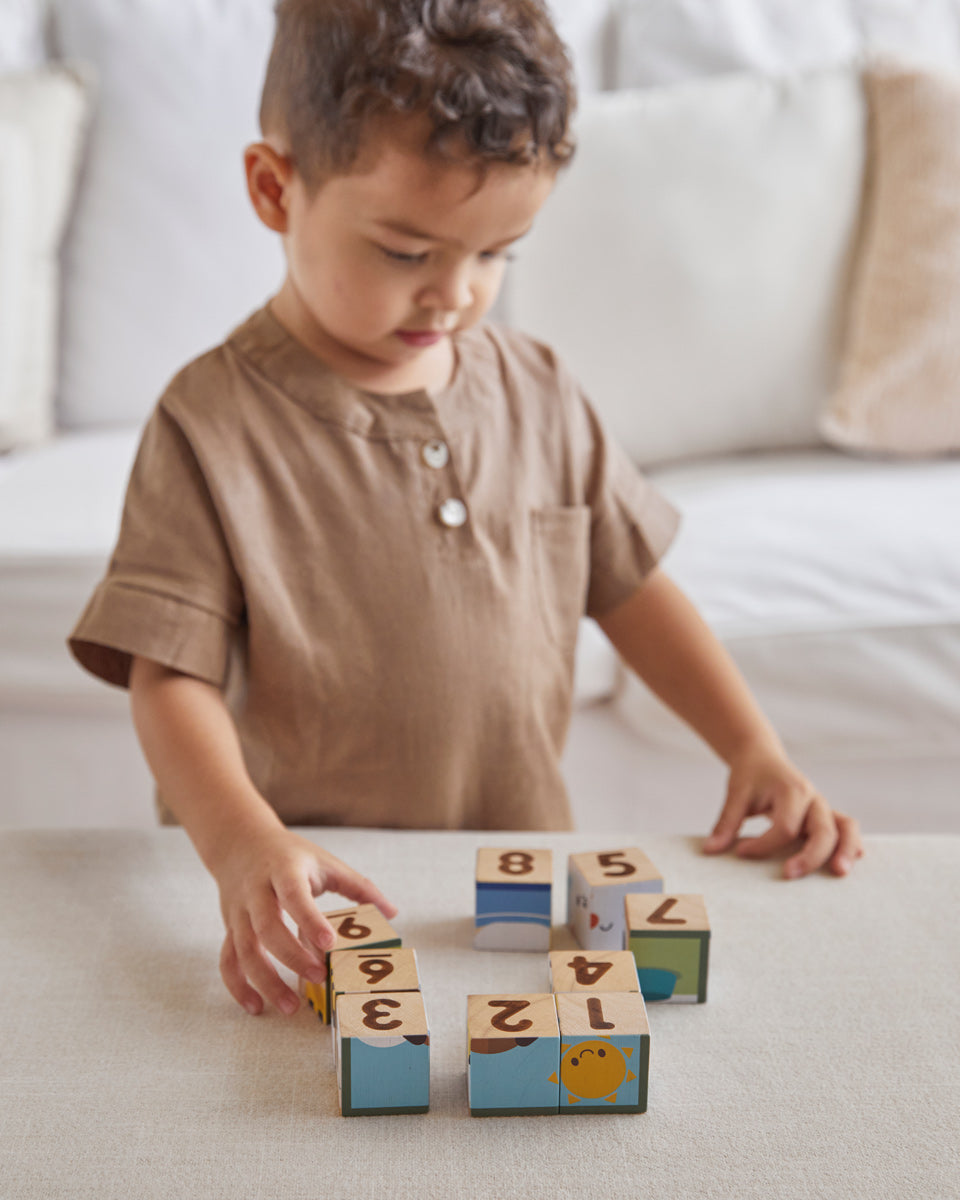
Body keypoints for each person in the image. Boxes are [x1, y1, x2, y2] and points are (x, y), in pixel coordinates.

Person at [68, 0, 863, 1018]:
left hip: (515, 887)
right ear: (276, 189)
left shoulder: (539, 389)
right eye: (407, 252)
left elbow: (633, 587)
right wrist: (240, 846)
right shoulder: (208, 423)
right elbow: (165, 677)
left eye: (498, 255)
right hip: (318, 901)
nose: (455, 296)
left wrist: (754, 746)